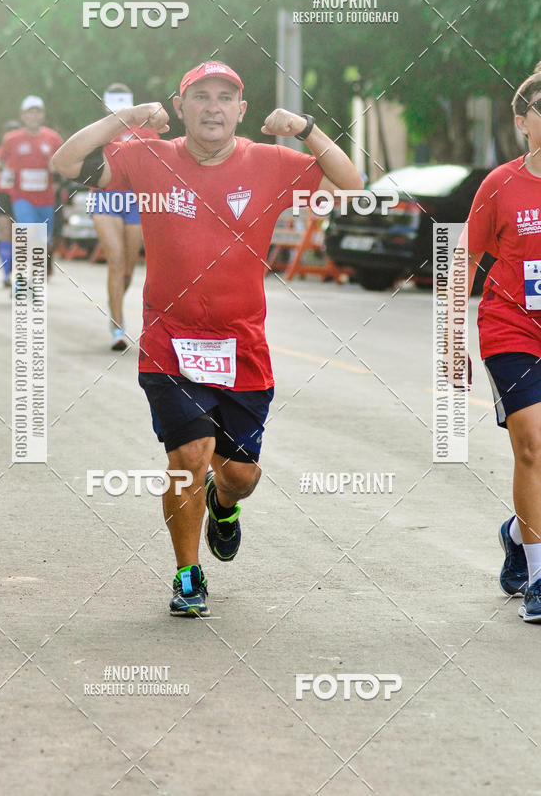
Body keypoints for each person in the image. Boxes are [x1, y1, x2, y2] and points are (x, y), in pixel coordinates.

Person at [52, 61, 363, 617]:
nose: (212, 107)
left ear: (241, 110)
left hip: (242, 346)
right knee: (188, 456)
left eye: (224, 97)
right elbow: (66, 161)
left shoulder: (269, 163)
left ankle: (224, 503)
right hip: (169, 340)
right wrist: (125, 118)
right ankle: (187, 574)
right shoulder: (148, 156)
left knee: (239, 475)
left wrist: (305, 128)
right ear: (180, 107)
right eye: (200, 97)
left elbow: (352, 182)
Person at [463, 70, 541, 623]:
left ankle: (516, 533)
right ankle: (539, 576)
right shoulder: (501, 184)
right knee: (533, 446)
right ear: (521, 122)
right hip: (511, 330)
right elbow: (465, 258)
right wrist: (449, 341)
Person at [89, 83, 160, 350]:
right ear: (105, 105)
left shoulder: (147, 132)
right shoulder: (99, 130)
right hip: (104, 197)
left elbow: (158, 167)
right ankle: (118, 328)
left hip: (135, 201)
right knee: (116, 260)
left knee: (128, 269)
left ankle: (115, 304)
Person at [0, 96, 63, 265]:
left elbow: (63, 166)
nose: (33, 116)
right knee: (27, 232)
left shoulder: (53, 138)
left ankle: (35, 279)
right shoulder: (11, 139)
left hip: (46, 199)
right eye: (30, 112)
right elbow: (3, 164)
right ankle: (21, 279)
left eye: (37, 112)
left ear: (43, 115)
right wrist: (6, 175)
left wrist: (56, 169)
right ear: (22, 115)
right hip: (21, 197)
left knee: (42, 243)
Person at [0, 119, 20, 287]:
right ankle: (6, 274)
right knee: (5, 233)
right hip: (1, 196)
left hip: (20, 197)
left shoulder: (23, 153)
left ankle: (19, 273)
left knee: (19, 235)